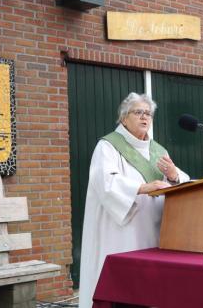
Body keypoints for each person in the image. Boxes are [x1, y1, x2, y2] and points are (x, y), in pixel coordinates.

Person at [78, 93, 190, 308]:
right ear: (123, 117)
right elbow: (105, 182)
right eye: (138, 112)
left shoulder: (158, 150)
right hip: (122, 231)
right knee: (125, 290)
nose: (144, 117)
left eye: (148, 113)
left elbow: (180, 180)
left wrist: (175, 175)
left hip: (155, 231)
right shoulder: (108, 146)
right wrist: (141, 187)